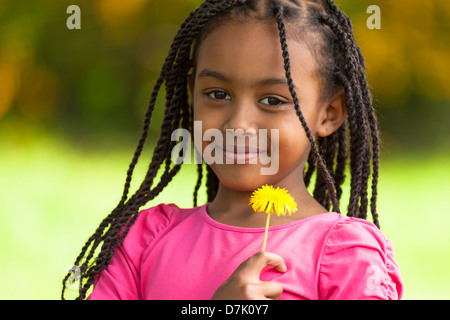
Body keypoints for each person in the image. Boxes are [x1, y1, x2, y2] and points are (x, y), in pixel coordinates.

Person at [62, 0, 403, 300]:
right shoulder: (143, 242)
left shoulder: (343, 257)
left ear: (329, 113)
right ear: (192, 92)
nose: (238, 124)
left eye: (272, 100)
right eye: (217, 94)